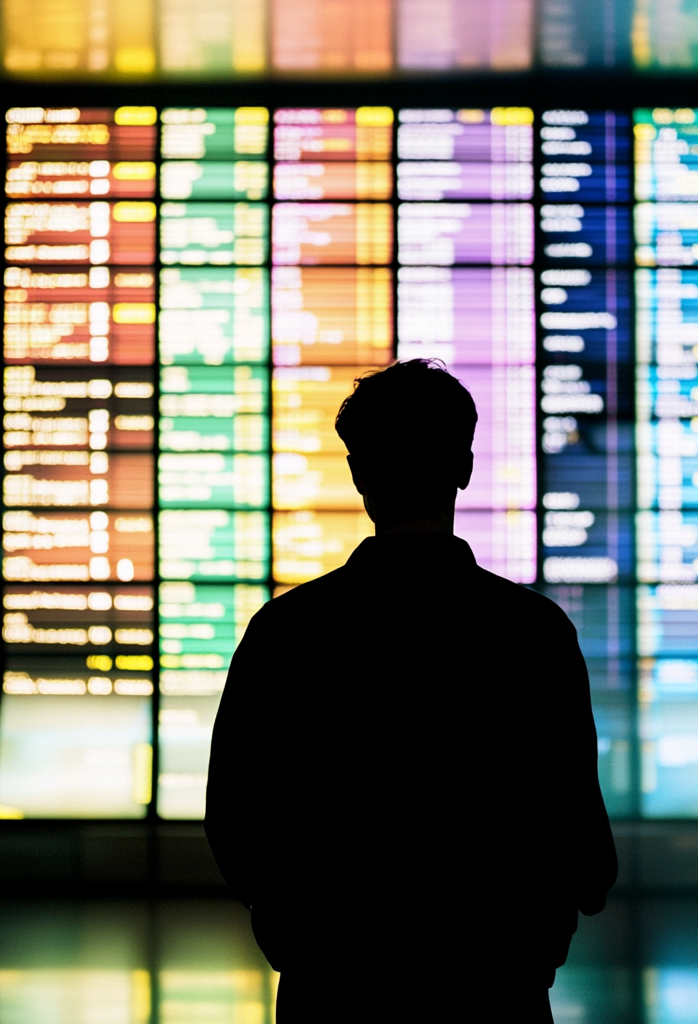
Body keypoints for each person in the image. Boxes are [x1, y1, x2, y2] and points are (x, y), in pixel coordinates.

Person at [205, 359, 617, 1022]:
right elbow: (571, 807)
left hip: (335, 976)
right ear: (464, 467)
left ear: (360, 474)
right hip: (496, 977)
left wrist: (294, 923)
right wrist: (559, 908)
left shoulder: (288, 629)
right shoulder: (532, 630)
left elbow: (236, 813)